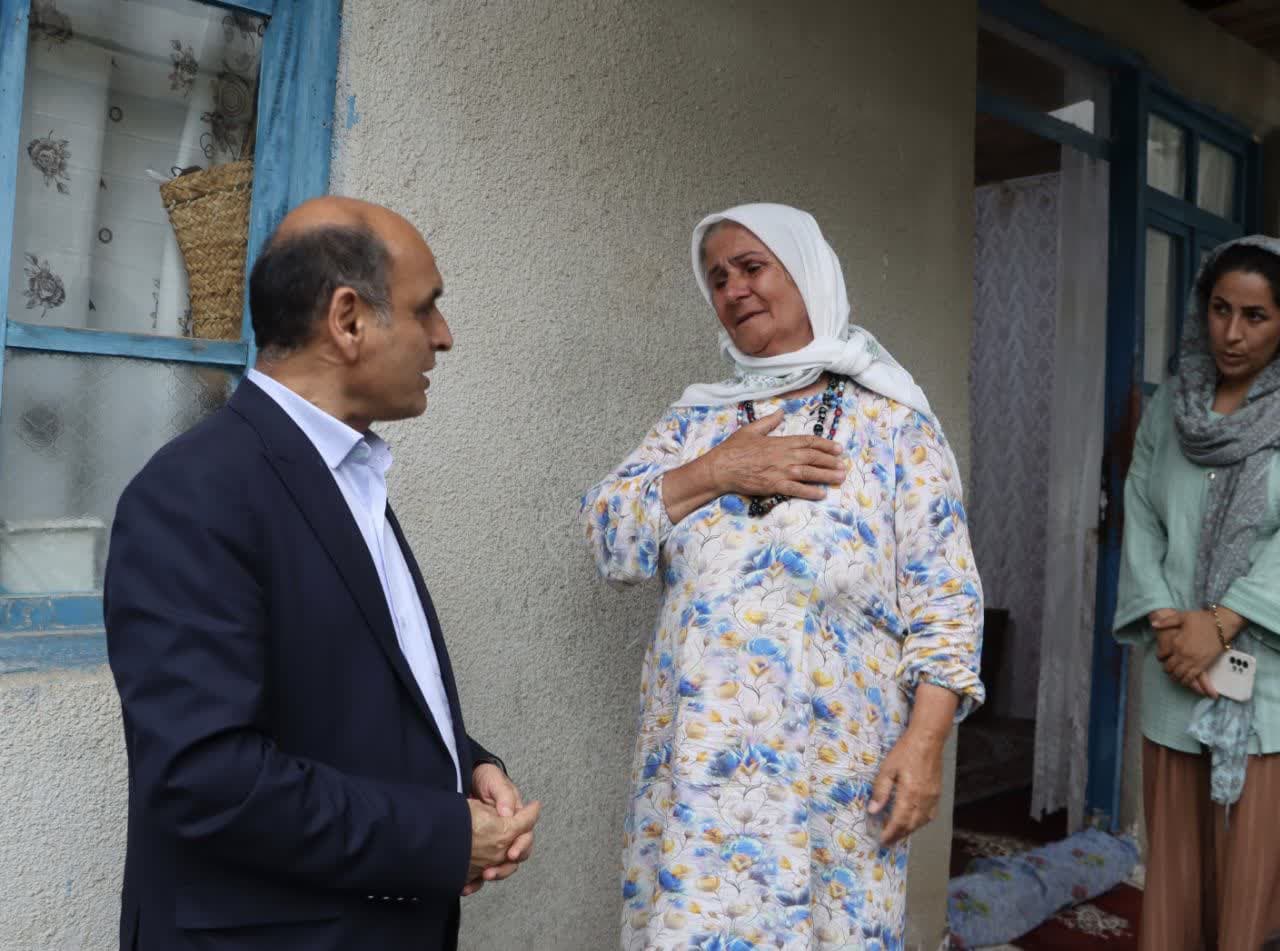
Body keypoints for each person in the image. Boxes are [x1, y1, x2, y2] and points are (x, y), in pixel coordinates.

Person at [104, 196, 540, 951]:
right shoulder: (195, 492)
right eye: (426, 307)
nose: (444, 335)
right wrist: (441, 835)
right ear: (348, 319)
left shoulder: (346, 472)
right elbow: (205, 779)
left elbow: (339, 686)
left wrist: (463, 765)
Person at [580, 203, 984, 949]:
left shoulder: (895, 426)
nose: (734, 289)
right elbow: (608, 535)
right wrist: (715, 471)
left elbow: (948, 606)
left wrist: (925, 746)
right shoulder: (695, 424)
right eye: (717, 278)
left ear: (807, 272)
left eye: (752, 266)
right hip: (700, 776)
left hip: (834, 771)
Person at [1114, 236, 1280, 950]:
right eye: (1220, 309)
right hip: (1174, 665)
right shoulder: (1170, 408)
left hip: (1263, 683)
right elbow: (1141, 506)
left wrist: (1223, 620)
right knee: (1176, 870)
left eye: (1255, 316)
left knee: (1250, 876)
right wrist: (1168, 621)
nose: (1232, 333)